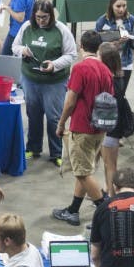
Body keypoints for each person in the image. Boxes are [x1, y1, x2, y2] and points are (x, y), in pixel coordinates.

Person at [52, 30, 113, 226]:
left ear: (81, 46)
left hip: (82, 127)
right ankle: (73, 210)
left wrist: (61, 123)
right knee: (84, 168)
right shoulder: (105, 69)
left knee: (82, 172)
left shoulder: (79, 69)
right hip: (100, 128)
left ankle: (107, 209)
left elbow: (70, 101)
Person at [12, 0, 77, 165]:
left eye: (45, 17)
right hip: (30, 80)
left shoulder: (61, 30)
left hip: (54, 82)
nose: (41, 20)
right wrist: (22, 51)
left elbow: (71, 55)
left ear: (51, 15)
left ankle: (56, 152)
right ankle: (33, 147)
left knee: (53, 117)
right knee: (33, 115)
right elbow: (15, 46)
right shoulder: (27, 26)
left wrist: (54, 65)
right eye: (38, 17)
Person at [95, 0, 134, 88]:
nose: (121, 9)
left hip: (125, 63)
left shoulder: (131, 20)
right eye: (118, 6)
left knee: (121, 92)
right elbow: (96, 44)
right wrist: (114, 44)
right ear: (111, 6)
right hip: (106, 63)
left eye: (124, 6)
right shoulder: (102, 21)